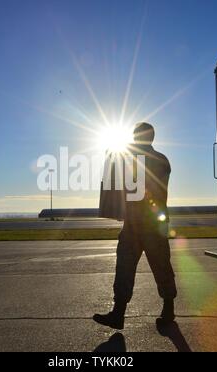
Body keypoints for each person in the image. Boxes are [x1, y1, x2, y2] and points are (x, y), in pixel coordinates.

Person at [94, 122, 177, 330]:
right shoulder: (152, 159)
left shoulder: (154, 160)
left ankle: (166, 310)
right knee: (128, 267)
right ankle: (119, 313)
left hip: (149, 224)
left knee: (156, 267)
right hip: (137, 224)